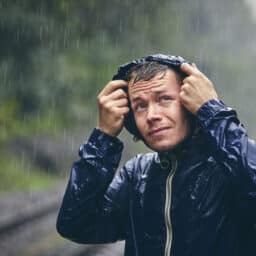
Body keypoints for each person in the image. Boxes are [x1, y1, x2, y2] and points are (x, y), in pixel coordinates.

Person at [56, 54, 256, 256]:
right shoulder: (137, 175)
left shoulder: (230, 170)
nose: (152, 115)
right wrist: (103, 138)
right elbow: (75, 224)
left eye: (165, 99)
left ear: (191, 103)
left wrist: (212, 111)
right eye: (140, 106)